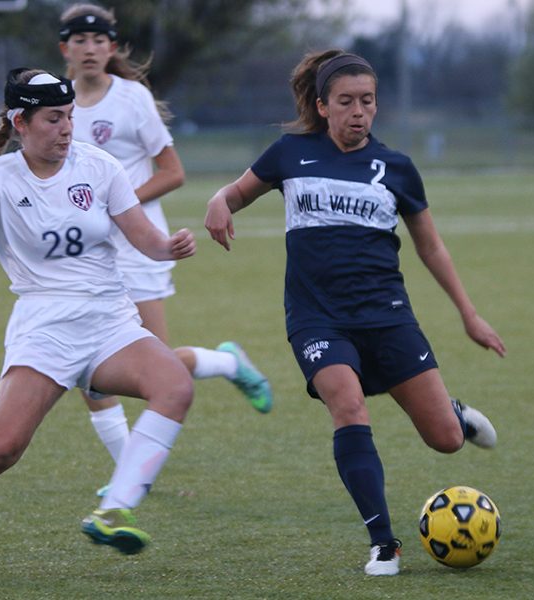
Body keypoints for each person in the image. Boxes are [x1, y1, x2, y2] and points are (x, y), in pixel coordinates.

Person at [204, 50, 507, 577]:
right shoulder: (289, 154)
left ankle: (453, 413)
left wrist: (469, 314)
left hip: (387, 316)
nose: (358, 112)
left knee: (445, 441)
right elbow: (234, 194)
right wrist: (218, 201)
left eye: (367, 101)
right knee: (347, 405)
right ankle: (383, 543)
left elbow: (431, 247)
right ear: (323, 106)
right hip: (316, 318)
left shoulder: (397, 168)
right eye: (346, 102)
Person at [0, 68, 197, 579]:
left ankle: (114, 508)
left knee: (176, 387)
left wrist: (169, 247)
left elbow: (143, 237)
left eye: (70, 116)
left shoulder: (99, 166)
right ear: (20, 122)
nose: (66, 128)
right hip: (45, 325)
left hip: (108, 318)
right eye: (53, 118)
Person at [57, 3, 273, 490]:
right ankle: (129, 476)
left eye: (99, 40)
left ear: (111, 48)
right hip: (86, 255)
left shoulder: (132, 99)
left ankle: (228, 362)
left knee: (156, 362)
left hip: (140, 246)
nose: (89, 49)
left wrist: (119, 205)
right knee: (83, 366)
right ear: (64, 48)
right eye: (79, 40)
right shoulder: (57, 103)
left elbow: (173, 171)